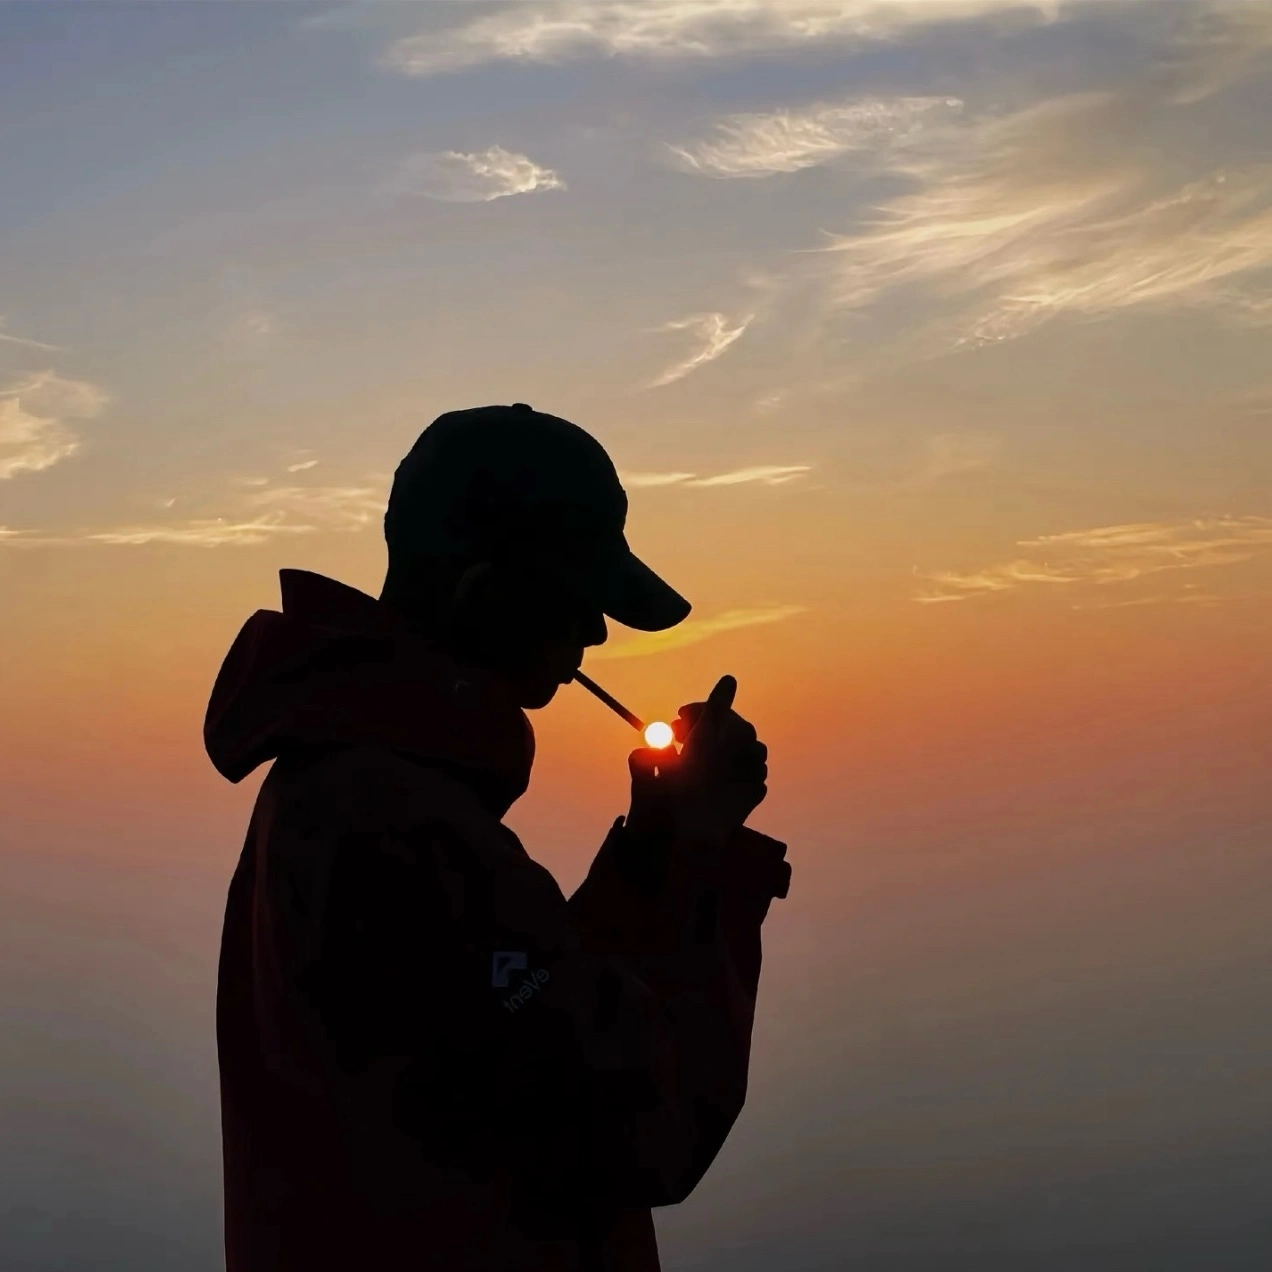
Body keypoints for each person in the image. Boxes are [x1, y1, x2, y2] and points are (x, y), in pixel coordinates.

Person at [204, 403, 791, 1272]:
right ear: (482, 591)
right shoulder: (397, 833)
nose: (595, 633)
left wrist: (651, 848)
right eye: (578, 603)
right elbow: (644, 1127)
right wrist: (702, 858)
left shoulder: (357, 791)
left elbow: (536, 1010)